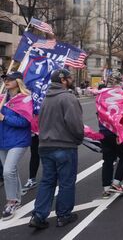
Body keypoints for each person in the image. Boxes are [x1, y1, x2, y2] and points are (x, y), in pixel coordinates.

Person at [29, 69, 84, 229]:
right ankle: (64, 215)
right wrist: (78, 139)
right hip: (64, 145)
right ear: (64, 80)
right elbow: (75, 125)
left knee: (47, 181)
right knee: (66, 182)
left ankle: (38, 216)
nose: (72, 79)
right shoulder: (68, 98)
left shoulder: (46, 99)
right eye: (70, 77)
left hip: (45, 145)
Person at [0, 71, 33, 220]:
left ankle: (11, 202)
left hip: (18, 141)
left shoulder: (25, 99)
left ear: (18, 81)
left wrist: (4, 117)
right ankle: (18, 198)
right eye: (5, 79)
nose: (6, 81)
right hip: (2, 141)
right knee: (11, 171)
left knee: (7, 171)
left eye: (10, 79)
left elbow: (24, 123)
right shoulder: (2, 99)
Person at [99, 73, 123, 198]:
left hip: (104, 130)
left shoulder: (101, 95)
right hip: (119, 131)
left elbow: (99, 113)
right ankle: (116, 183)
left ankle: (106, 188)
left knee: (107, 160)